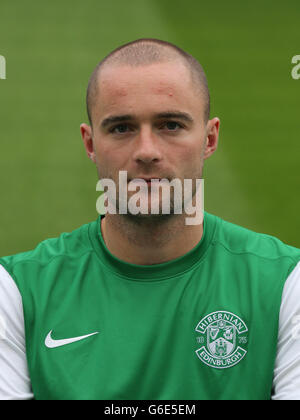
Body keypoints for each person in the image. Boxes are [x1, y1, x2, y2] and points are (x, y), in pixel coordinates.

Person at [0, 38, 300, 401]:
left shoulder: (286, 283)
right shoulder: (16, 291)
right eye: (122, 128)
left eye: (170, 125)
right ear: (91, 144)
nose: (146, 151)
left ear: (209, 138)